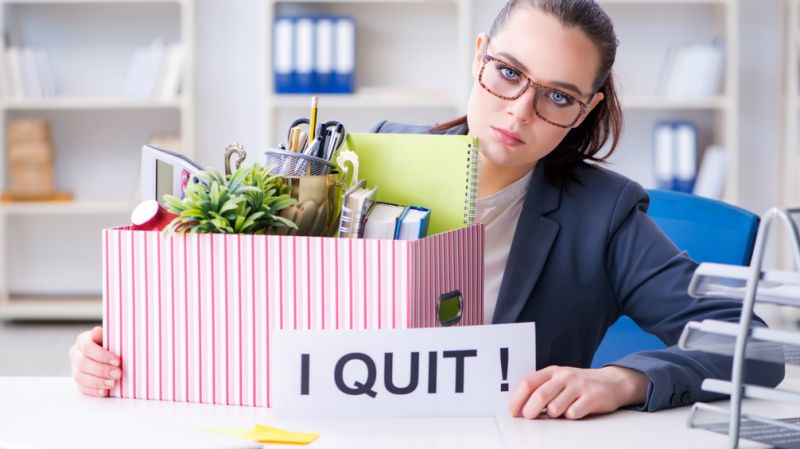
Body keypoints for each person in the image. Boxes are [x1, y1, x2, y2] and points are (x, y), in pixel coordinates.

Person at [70, 0, 783, 419]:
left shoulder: (604, 214)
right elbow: (253, 302)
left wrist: (624, 377)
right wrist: (126, 346)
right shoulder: (355, 165)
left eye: (558, 96)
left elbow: (751, 341)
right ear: (480, 56)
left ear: (585, 108)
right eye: (508, 73)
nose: (518, 109)